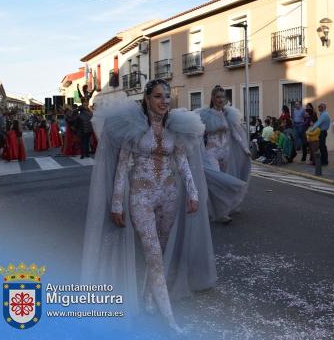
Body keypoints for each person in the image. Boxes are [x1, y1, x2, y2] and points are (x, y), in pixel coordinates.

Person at [81, 79, 215, 334]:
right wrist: (117, 203)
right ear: (146, 98)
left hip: (169, 196)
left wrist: (193, 193)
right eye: (157, 96)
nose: (164, 101)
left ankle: (148, 299)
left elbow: (183, 162)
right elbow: (122, 167)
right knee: (154, 258)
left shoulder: (175, 128)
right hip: (141, 198)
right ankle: (169, 320)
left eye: (167, 96)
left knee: (159, 256)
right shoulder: (134, 127)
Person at [197, 85, 251, 224]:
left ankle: (222, 209)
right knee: (217, 181)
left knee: (224, 183)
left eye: (222, 97)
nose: (220, 99)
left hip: (226, 154)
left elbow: (235, 133)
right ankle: (220, 214)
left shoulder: (229, 114)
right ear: (213, 98)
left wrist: (246, 149)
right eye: (218, 97)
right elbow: (199, 134)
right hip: (211, 152)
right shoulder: (205, 114)